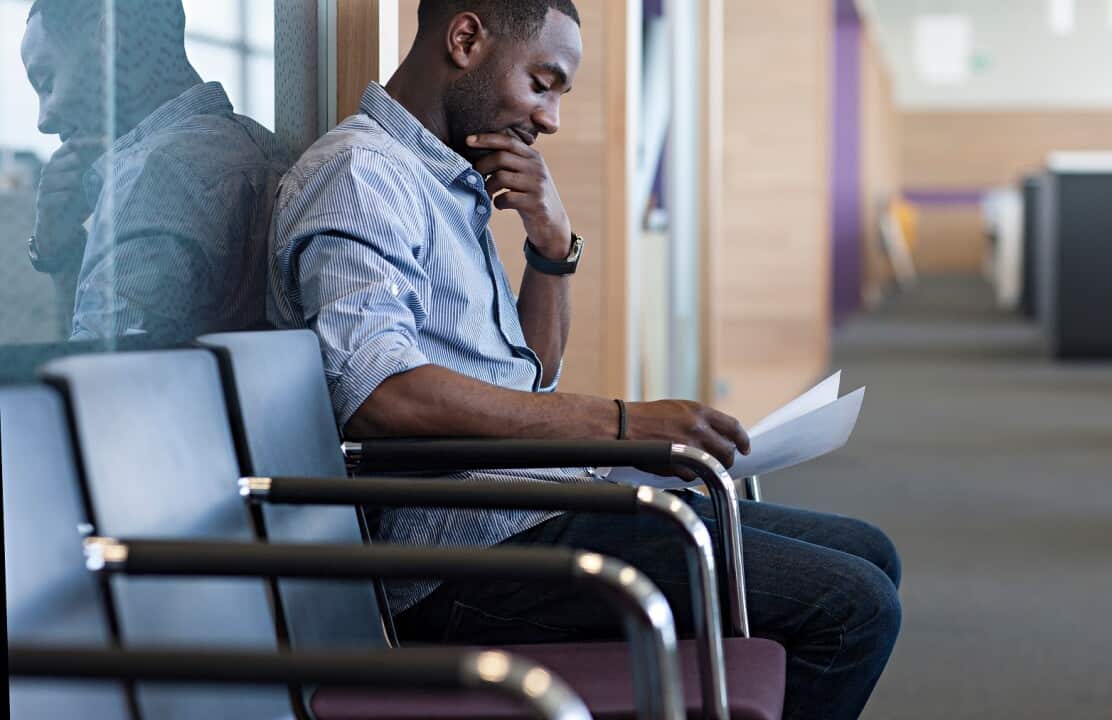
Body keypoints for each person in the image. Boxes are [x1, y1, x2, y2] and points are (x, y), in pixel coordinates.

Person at [269, 2, 901, 716]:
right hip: (463, 559)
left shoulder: (444, 180)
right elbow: (378, 393)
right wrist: (622, 423)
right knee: (853, 609)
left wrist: (552, 248)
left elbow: (531, 378)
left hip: (534, 508)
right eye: (543, 82)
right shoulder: (363, 175)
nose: (551, 120)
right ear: (467, 38)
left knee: (872, 552)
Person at [20, 0, 291, 341]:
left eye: (46, 82)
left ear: (107, 40)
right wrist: (62, 253)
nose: (44, 121)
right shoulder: (266, 149)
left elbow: (97, 382)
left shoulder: (153, 177)